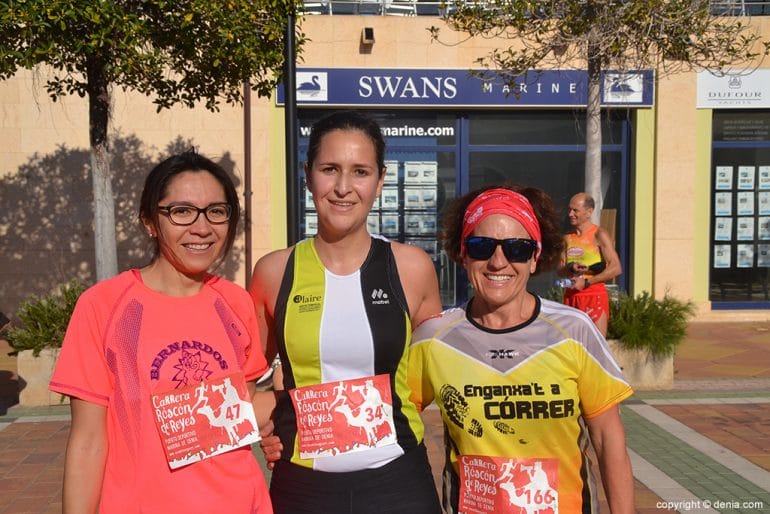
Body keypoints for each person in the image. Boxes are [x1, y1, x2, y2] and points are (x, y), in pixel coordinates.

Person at [49, 151, 274, 513]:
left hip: (241, 502)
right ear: (150, 222)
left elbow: (243, 408)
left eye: (217, 211)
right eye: (182, 211)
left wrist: (286, 421)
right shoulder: (104, 306)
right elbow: (88, 442)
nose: (202, 228)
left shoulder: (236, 302)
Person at [249, 110, 443, 514]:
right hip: (303, 487)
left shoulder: (412, 268)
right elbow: (245, 381)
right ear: (308, 175)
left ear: (380, 180)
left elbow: (434, 376)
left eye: (360, 172)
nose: (342, 187)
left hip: (398, 482)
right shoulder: (273, 272)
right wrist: (275, 421)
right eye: (329, 169)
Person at [408, 185, 635, 514]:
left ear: (534, 258)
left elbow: (607, 438)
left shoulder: (574, 330)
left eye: (517, 248)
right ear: (464, 255)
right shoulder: (434, 337)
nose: (498, 262)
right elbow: (397, 427)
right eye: (482, 246)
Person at [560, 192, 622, 336]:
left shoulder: (599, 234)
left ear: (589, 212)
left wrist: (587, 283)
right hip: (572, 296)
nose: (570, 214)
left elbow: (616, 268)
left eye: (575, 210)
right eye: (569, 209)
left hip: (594, 295)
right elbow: (560, 269)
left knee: (596, 343)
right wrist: (570, 267)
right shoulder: (567, 237)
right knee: (572, 344)